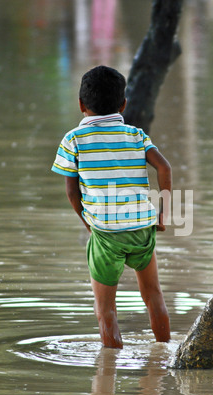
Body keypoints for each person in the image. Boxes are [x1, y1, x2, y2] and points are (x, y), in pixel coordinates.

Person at [51, 66, 171, 349]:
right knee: (153, 295)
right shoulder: (136, 135)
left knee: (105, 309)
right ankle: (166, 354)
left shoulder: (74, 140)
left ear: (81, 105)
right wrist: (163, 212)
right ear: (123, 104)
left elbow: (71, 191)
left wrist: (87, 222)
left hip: (104, 232)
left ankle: (108, 372)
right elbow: (164, 167)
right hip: (142, 230)